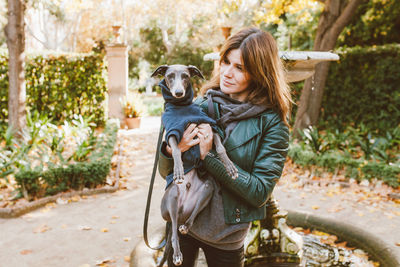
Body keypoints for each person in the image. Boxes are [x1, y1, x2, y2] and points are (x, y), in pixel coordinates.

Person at [158, 27, 292, 267]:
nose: (227, 73)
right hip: (183, 223)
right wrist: (170, 151)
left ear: (260, 72)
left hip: (226, 236)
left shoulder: (272, 124)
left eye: (239, 68)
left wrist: (209, 155)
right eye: (225, 62)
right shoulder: (197, 105)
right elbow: (165, 172)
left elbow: (260, 192)